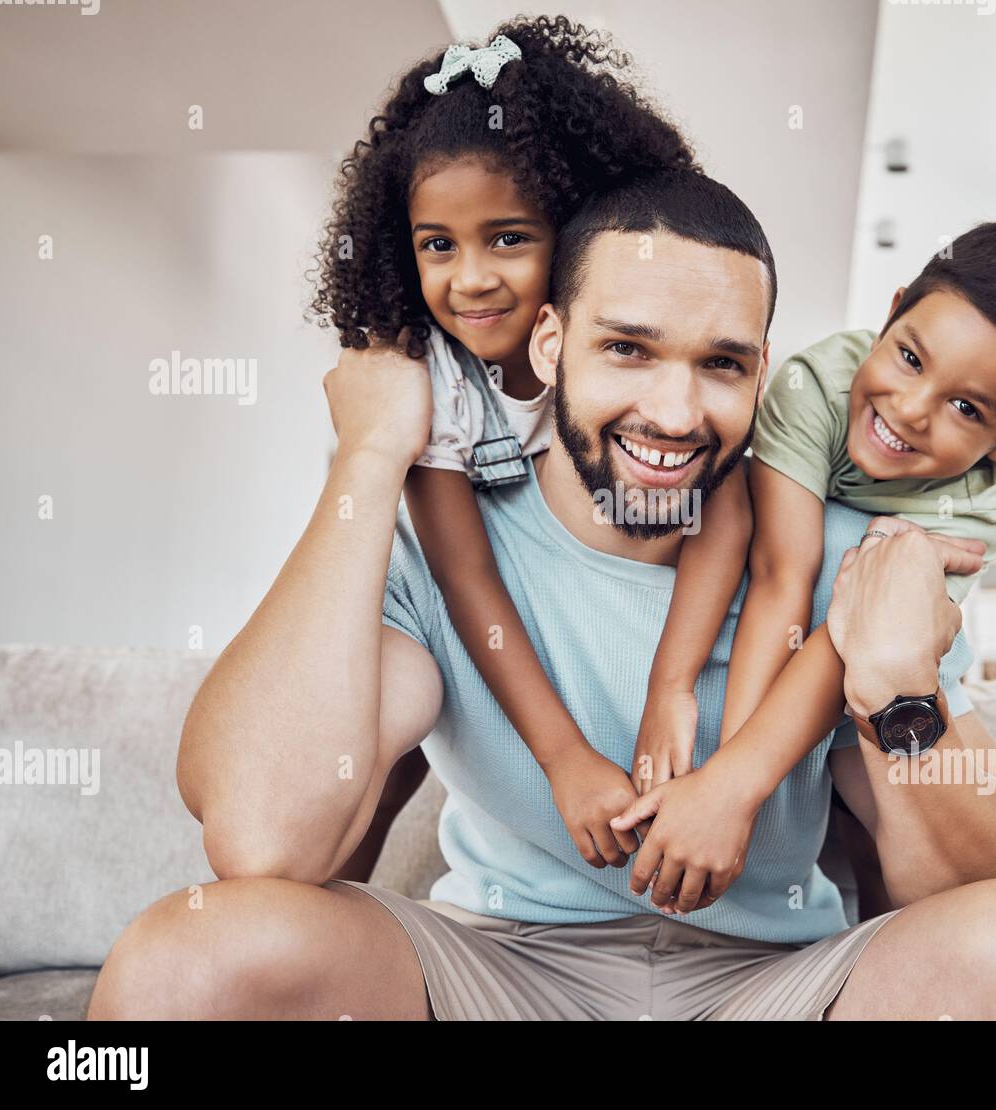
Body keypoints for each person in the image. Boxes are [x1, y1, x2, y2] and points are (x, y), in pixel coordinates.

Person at [87, 169, 996, 1021]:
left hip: (772, 984)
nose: (674, 411)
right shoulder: (438, 550)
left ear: (764, 372)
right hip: (499, 973)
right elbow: (261, 842)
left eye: (721, 365)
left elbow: (988, 887)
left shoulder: (867, 554)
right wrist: (367, 460)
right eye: (626, 349)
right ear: (550, 343)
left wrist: (896, 683)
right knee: (187, 960)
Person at [309, 17, 751, 870]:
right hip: (484, 613)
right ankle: (341, 901)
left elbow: (720, 516)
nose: (470, 278)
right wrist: (563, 759)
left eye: (508, 238)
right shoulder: (433, 380)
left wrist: (670, 688)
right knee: (386, 743)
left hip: (596, 601)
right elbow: (466, 576)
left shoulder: (651, 367)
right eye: (438, 245)